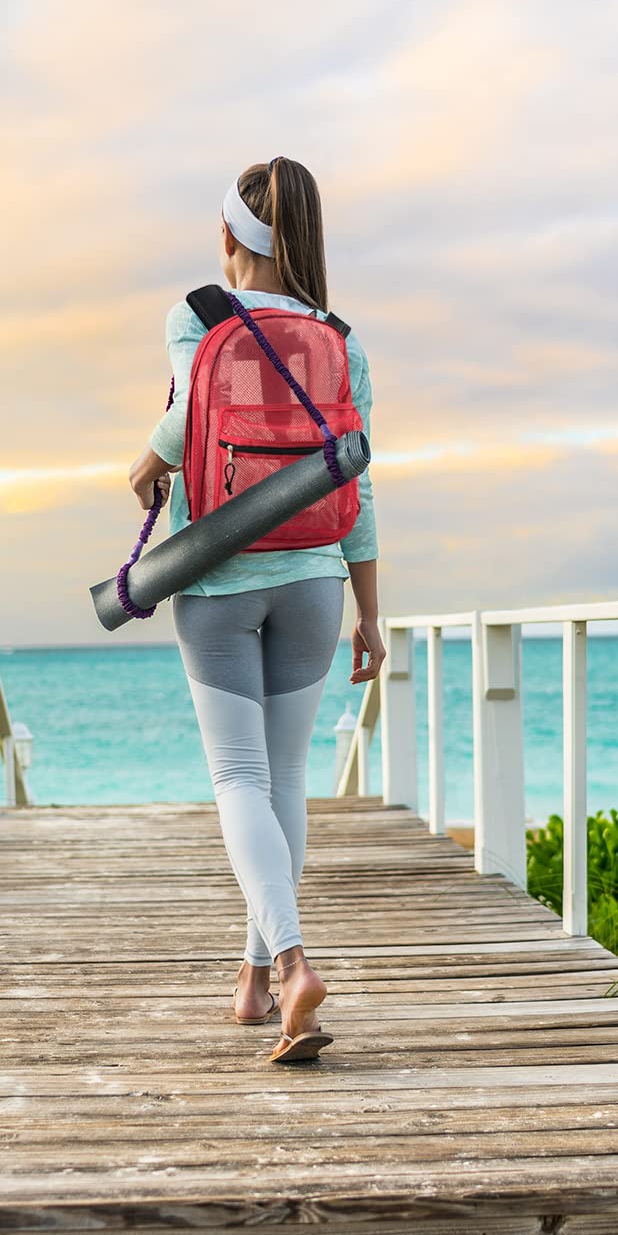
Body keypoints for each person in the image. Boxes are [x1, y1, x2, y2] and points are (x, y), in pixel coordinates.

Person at [127, 157, 385, 1062]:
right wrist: (371, 614)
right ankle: (251, 984)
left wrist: (144, 465)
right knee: (283, 783)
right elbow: (360, 481)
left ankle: (291, 961)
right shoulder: (342, 340)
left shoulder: (195, 317)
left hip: (221, 581)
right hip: (316, 580)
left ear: (231, 236)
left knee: (239, 781)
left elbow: (187, 415)